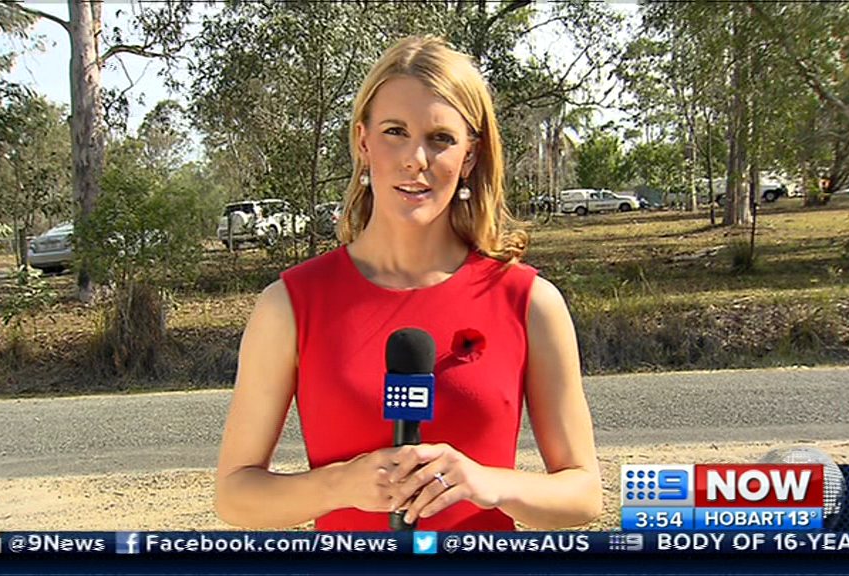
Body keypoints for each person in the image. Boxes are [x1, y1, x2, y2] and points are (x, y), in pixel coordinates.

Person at [215, 36, 602, 531]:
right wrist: (340, 485)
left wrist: (490, 483)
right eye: (395, 131)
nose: (416, 158)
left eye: (441, 138)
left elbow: (583, 493)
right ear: (363, 141)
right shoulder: (290, 304)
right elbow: (235, 495)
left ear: (470, 156)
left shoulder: (529, 302)